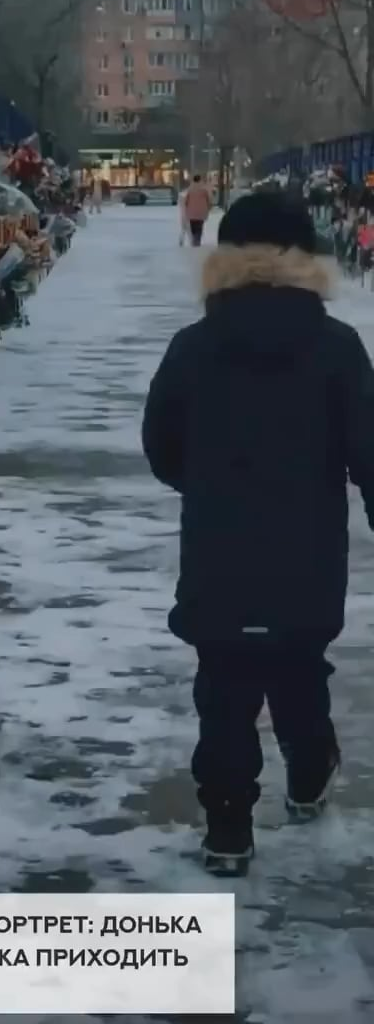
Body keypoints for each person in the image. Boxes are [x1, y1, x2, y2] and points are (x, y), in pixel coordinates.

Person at [141, 192, 374, 877]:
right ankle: (308, 777)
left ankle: (228, 829)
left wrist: (208, 484)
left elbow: (161, 444)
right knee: (301, 671)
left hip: (219, 553)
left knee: (225, 687)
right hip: (308, 554)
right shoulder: (336, 347)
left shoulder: (194, 346)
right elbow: (370, 449)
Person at [181, 174, 211, 247]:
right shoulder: (204, 189)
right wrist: (208, 208)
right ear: (200, 180)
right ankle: (197, 240)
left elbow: (185, 201)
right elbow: (208, 200)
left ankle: (194, 239)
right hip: (201, 212)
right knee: (199, 226)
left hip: (191, 212)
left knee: (193, 226)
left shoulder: (189, 189)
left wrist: (186, 208)